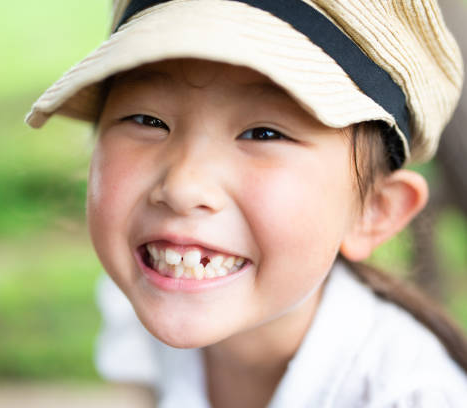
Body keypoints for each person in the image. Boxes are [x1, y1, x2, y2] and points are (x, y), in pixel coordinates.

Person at [25, 0, 467, 406]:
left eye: (263, 133)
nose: (183, 186)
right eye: (148, 120)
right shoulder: (136, 306)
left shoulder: (412, 395)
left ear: (373, 212)